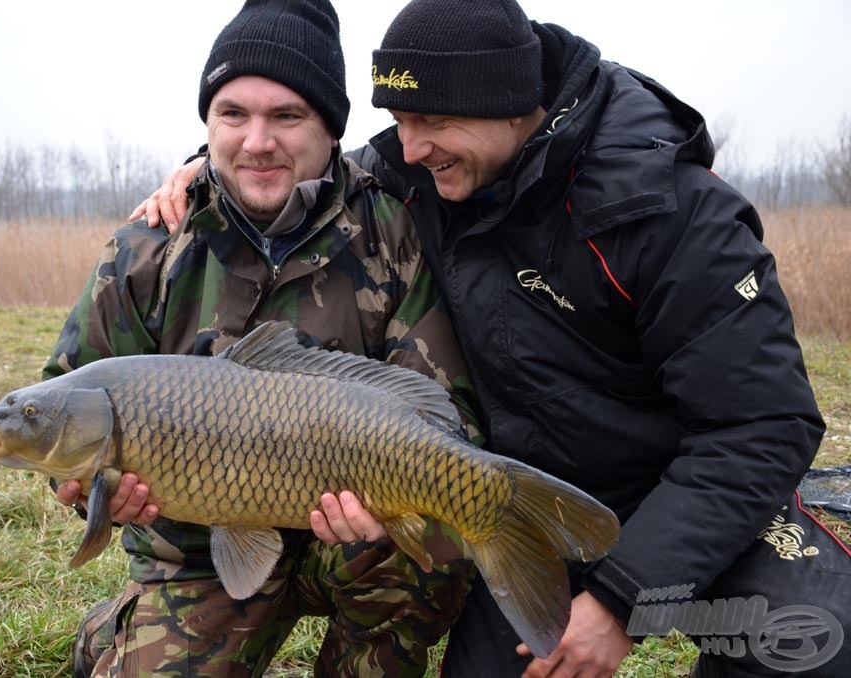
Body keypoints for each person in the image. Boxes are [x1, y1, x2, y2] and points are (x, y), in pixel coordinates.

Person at [130, 1, 851, 676]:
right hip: (512, 505)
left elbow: (763, 424)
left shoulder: (676, 212)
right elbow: (293, 164)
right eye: (398, 120)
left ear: (509, 105)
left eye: (430, 120)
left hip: (682, 499)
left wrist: (623, 597)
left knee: (814, 642)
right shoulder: (420, 176)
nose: (409, 148)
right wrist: (209, 170)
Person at [47, 1, 481, 676]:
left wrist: (389, 498)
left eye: (286, 116)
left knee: (434, 538)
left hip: (350, 539)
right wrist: (84, 493)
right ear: (207, 125)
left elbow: (444, 410)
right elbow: (62, 410)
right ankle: (118, 632)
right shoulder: (146, 249)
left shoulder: (393, 234)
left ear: (330, 130)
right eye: (233, 115)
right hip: (197, 551)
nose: (257, 142)